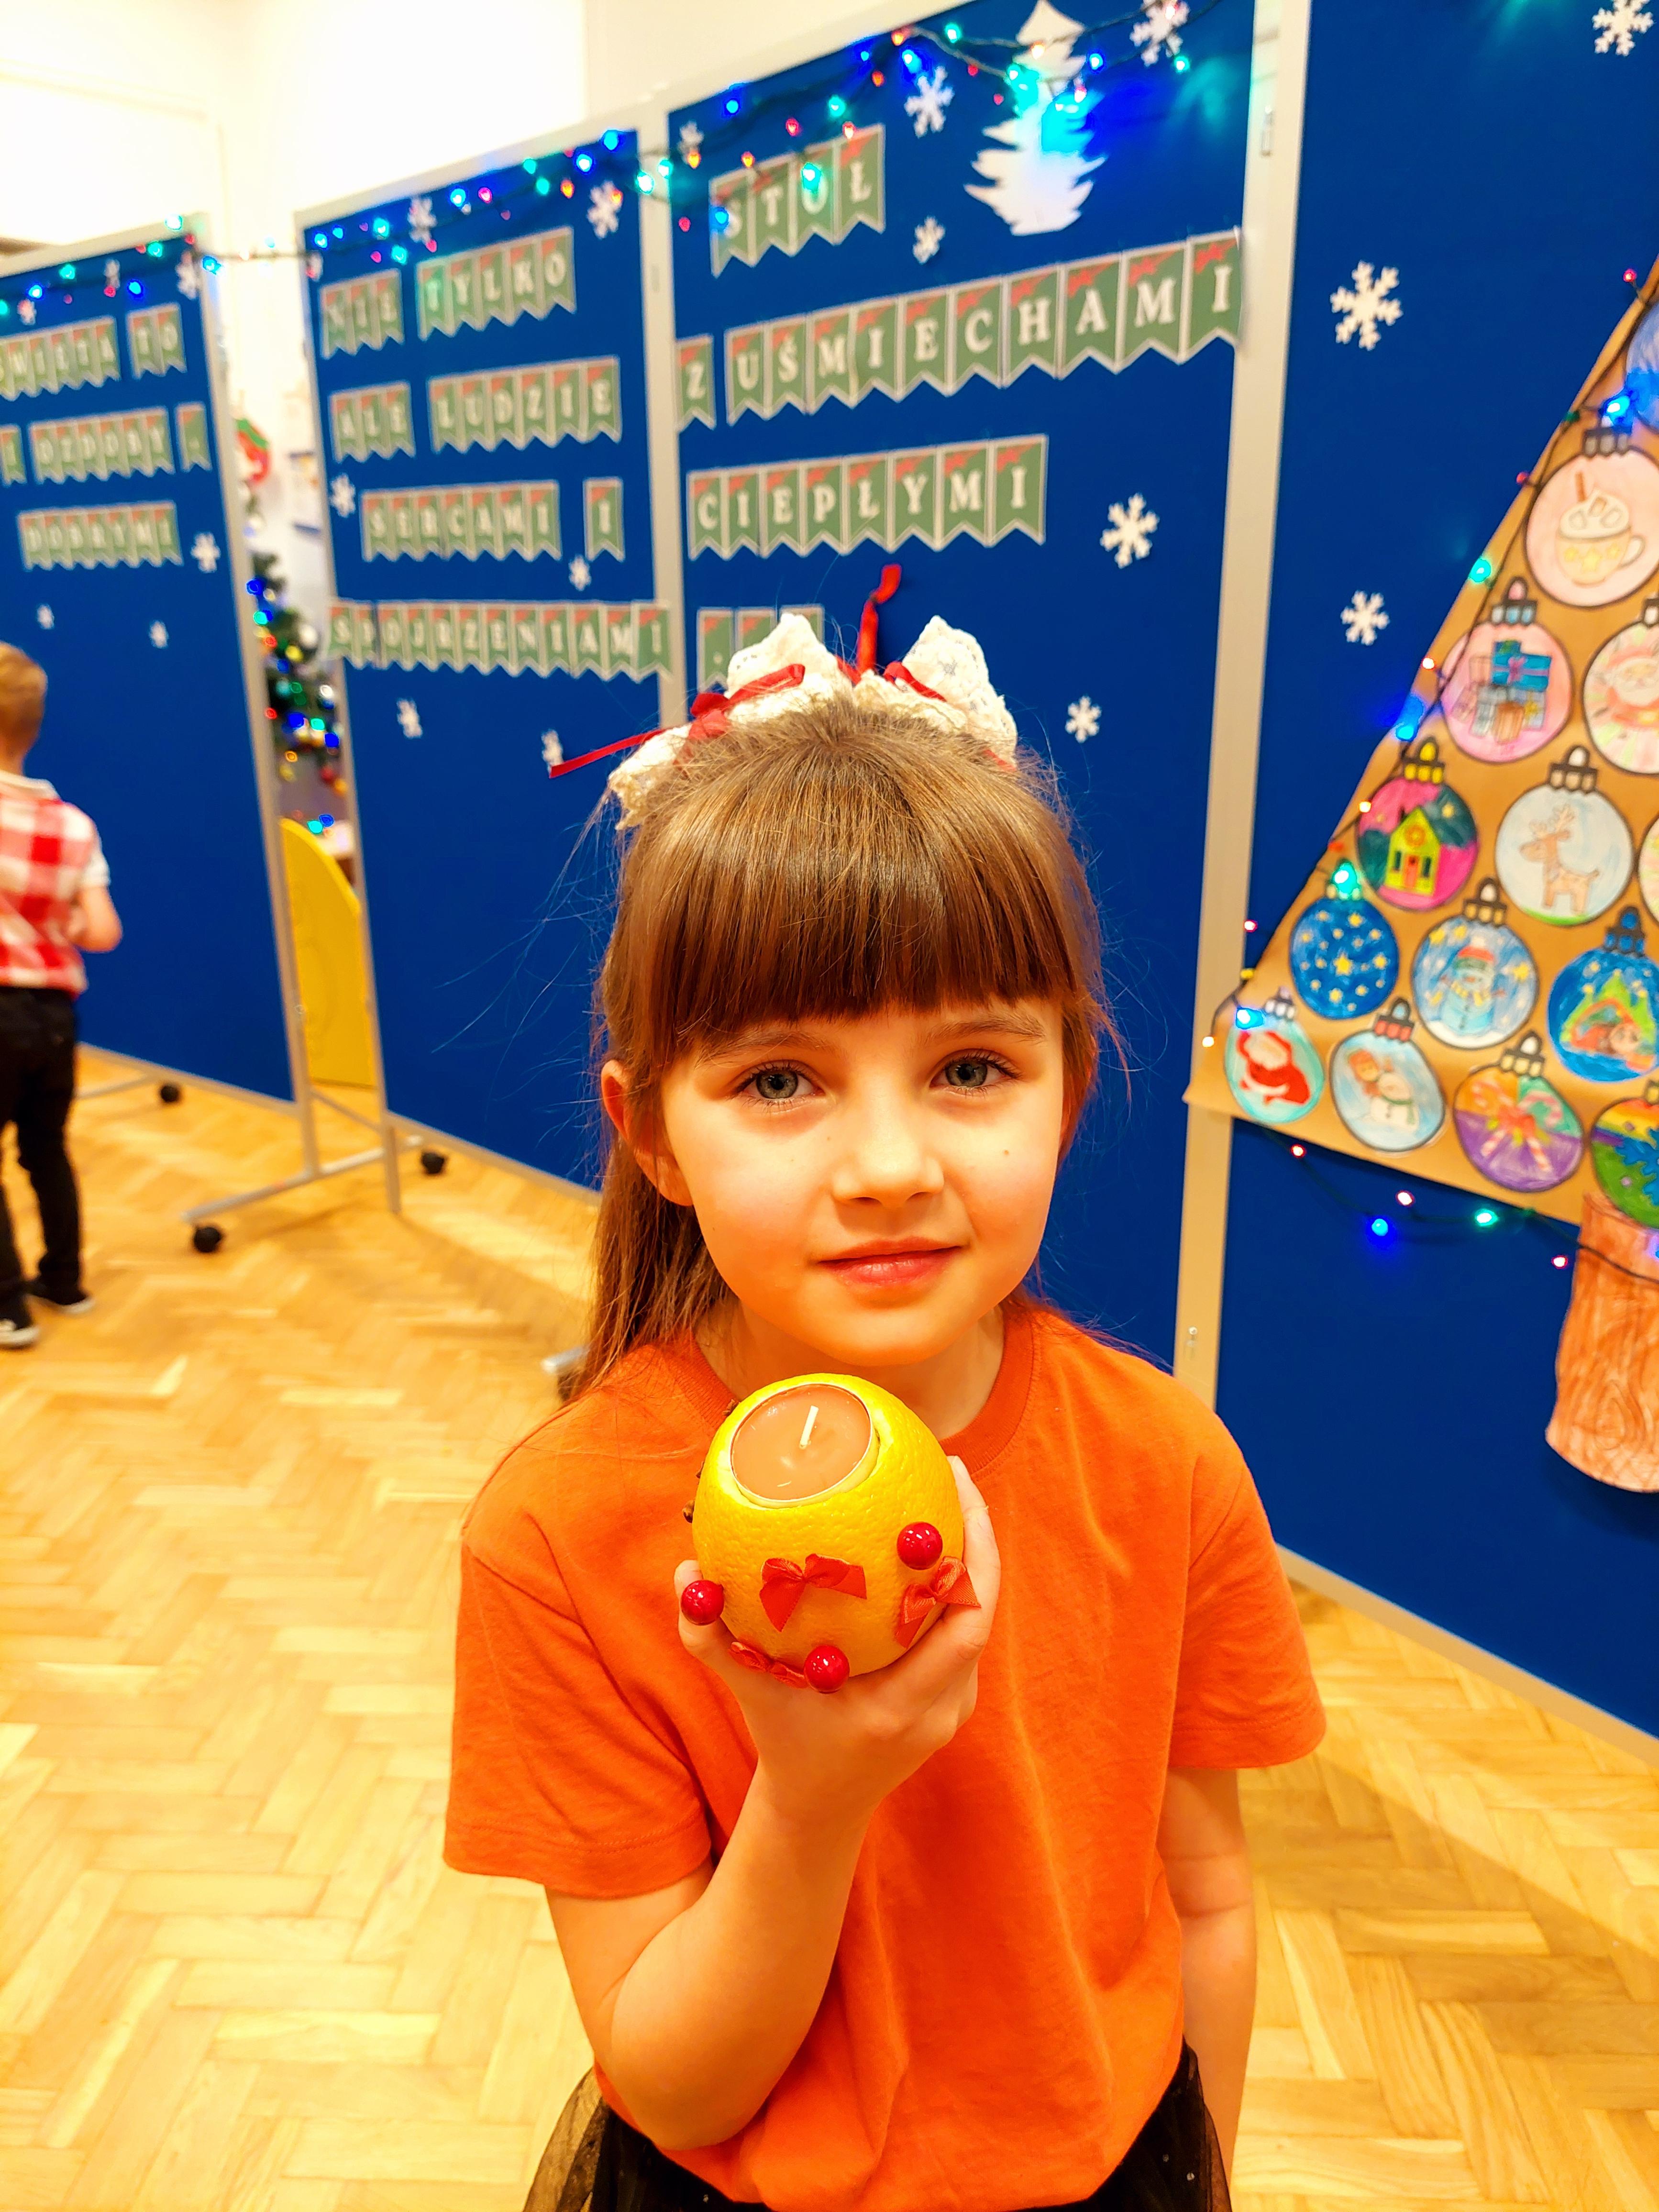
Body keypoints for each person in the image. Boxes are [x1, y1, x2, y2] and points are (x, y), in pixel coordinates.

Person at [444, 614, 1324, 2212]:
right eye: (778, 1081)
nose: (888, 1166)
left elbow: (1201, 1898)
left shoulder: (1162, 1462)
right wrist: (815, 1794)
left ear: (1070, 1082)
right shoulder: (559, 1535)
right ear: (650, 1135)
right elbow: (671, 2079)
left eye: (970, 1068)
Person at [0, 643, 121, 1348]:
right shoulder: (73, 825)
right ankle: (65, 1280)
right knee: (46, 1148)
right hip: (53, 1016)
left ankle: (7, 1307)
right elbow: (102, 931)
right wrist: (61, 924)